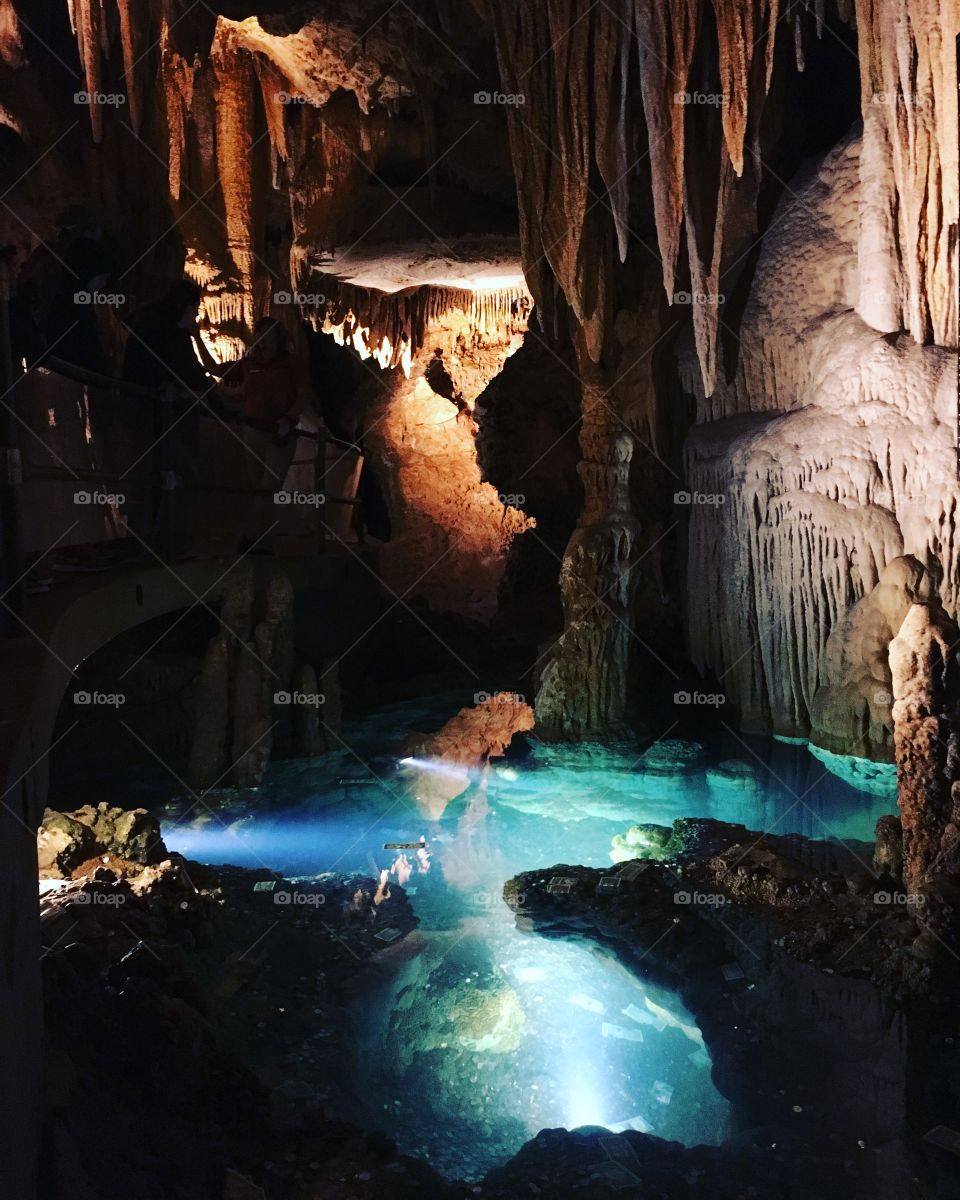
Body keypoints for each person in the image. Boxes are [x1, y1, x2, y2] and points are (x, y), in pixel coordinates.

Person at [222, 317, 320, 549]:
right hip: (252, 429)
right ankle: (264, 541)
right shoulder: (249, 364)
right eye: (261, 334)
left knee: (270, 486)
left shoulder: (291, 363)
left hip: (279, 431)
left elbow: (303, 393)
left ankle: (248, 538)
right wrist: (195, 336)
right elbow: (220, 374)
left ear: (278, 338)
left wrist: (289, 418)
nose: (264, 339)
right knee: (258, 486)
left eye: (270, 334)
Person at [122, 279, 225, 395]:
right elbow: (186, 369)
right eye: (196, 308)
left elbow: (193, 367)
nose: (197, 314)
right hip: (145, 394)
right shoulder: (161, 329)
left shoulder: (176, 330)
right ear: (187, 306)